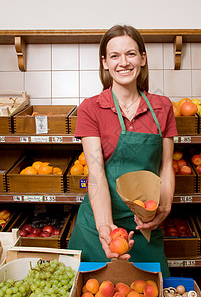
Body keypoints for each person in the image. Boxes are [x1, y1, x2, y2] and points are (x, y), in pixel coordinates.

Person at [68, 24, 178, 277]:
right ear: (105, 63)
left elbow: (165, 166)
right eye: (115, 56)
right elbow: (95, 171)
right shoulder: (91, 108)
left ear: (142, 58)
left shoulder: (162, 107)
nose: (123, 62)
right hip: (98, 227)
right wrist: (106, 227)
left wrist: (164, 208)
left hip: (145, 226)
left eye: (130, 54)